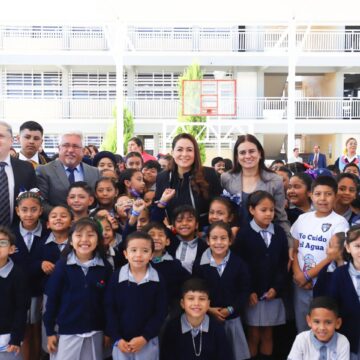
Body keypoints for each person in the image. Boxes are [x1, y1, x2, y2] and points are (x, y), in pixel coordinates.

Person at [44, 218, 112, 360]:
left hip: (95, 331)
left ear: (99, 240)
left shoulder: (105, 268)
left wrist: (108, 331)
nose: (85, 239)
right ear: (70, 240)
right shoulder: (62, 266)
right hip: (67, 331)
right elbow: (52, 301)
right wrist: (50, 332)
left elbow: (109, 304)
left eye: (91, 235)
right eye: (79, 235)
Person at [233, 191, 288, 359]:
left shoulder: (279, 232)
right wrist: (249, 291)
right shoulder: (244, 234)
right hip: (253, 295)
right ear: (251, 210)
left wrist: (276, 288)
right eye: (263, 210)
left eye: (271, 210)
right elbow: (241, 267)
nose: (268, 214)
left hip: (272, 294)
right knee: (253, 334)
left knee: (268, 333)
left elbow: (282, 263)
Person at [291, 176, 349, 333]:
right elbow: (295, 249)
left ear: (335, 196)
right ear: (310, 194)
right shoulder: (302, 219)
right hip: (300, 283)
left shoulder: (339, 222)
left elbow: (333, 255)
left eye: (328, 194)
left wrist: (308, 275)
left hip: (325, 281)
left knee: (323, 328)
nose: (322, 199)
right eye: (318, 194)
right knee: (302, 326)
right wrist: (298, 274)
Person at [221, 134, 291, 247]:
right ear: (237, 156)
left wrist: (289, 245)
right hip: (234, 242)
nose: (247, 156)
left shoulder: (275, 180)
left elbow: (281, 217)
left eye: (252, 151)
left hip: (264, 244)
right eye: (242, 152)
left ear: (260, 153)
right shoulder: (226, 178)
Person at [193, 221, 250, 360]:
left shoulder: (239, 264)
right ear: (207, 240)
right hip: (206, 319)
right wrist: (209, 309)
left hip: (232, 319)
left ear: (230, 241)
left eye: (223, 238)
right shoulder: (200, 264)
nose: (219, 242)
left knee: (233, 354)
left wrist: (230, 309)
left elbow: (244, 292)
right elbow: (195, 292)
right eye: (214, 238)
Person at [105, 231, 167, 360]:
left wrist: (145, 337)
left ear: (151, 255)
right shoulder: (116, 277)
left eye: (145, 251)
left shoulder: (158, 279)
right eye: (133, 250)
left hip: (147, 341)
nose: (138, 255)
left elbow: (160, 312)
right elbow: (109, 309)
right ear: (125, 254)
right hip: (121, 343)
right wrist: (117, 337)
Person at [10, 189, 49, 360]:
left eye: (34, 209)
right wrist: (38, 265)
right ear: (17, 211)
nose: (28, 214)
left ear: (41, 210)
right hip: (17, 292)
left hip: (40, 291)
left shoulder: (49, 232)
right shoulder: (9, 234)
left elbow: (51, 262)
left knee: (39, 329)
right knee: (23, 330)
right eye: (24, 210)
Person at [155, 133, 222, 228]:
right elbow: (157, 211)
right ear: (173, 152)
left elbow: (218, 208)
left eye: (189, 150)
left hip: (201, 235)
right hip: (171, 236)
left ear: (195, 153)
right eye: (179, 150)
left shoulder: (209, 174)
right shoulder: (163, 177)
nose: (184, 154)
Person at [160, 277, 234, 360]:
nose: (196, 303)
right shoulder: (172, 328)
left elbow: (225, 356)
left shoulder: (217, 328)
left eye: (202, 299)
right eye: (191, 298)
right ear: (182, 303)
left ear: (208, 304)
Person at [36, 132, 100, 215]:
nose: (70, 150)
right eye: (66, 145)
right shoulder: (44, 171)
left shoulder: (95, 172)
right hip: (56, 225)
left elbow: (98, 201)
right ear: (59, 149)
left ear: (83, 151)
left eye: (75, 146)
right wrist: (64, 217)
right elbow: (41, 202)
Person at [330, 225, 360, 358]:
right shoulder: (339, 274)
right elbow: (332, 305)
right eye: (358, 246)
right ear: (348, 247)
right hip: (348, 338)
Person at [143, 221, 190, 307]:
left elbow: (187, 283)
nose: (156, 238)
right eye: (152, 235)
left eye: (161, 235)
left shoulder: (174, 264)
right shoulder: (139, 263)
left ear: (167, 241)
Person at [0, 121, 37, 227]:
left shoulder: (26, 168)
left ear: (11, 141)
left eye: (1, 136)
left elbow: (33, 200)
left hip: (17, 235)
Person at [0, 226, 29, 359]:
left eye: (2, 243)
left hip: (7, 339)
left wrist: (16, 338)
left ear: (11, 249)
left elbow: (21, 309)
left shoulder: (18, 275)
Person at [313, 232, 346, 297]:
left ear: (342, 250)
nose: (326, 249)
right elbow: (317, 296)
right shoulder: (326, 270)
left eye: (330, 246)